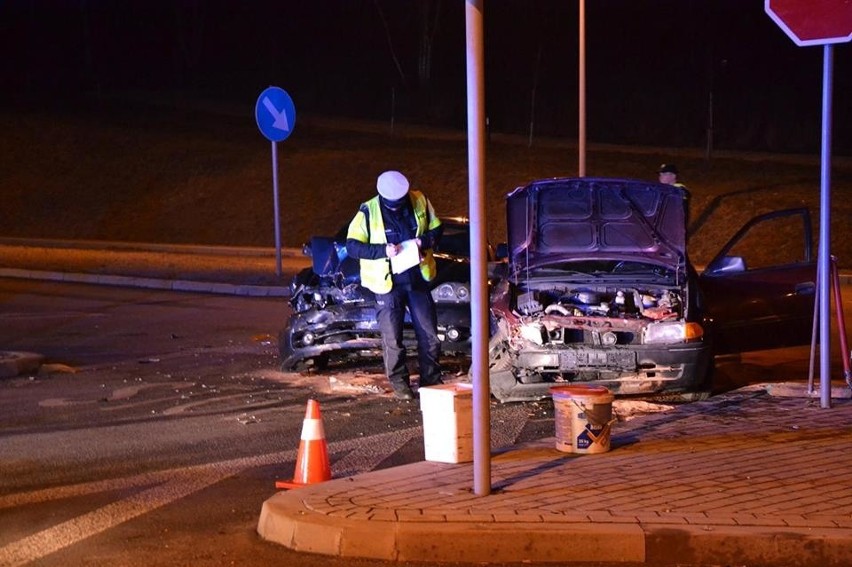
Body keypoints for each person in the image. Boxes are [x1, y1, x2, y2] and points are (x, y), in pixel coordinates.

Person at [345, 170, 445, 400]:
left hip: (417, 279)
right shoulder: (368, 211)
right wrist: (383, 251)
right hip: (387, 284)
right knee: (393, 339)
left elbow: (437, 229)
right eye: (393, 206)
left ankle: (431, 382)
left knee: (429, 335)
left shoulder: (419, 200)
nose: (398, 208)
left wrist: (424, 242)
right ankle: (400, 386)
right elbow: (352, 246)